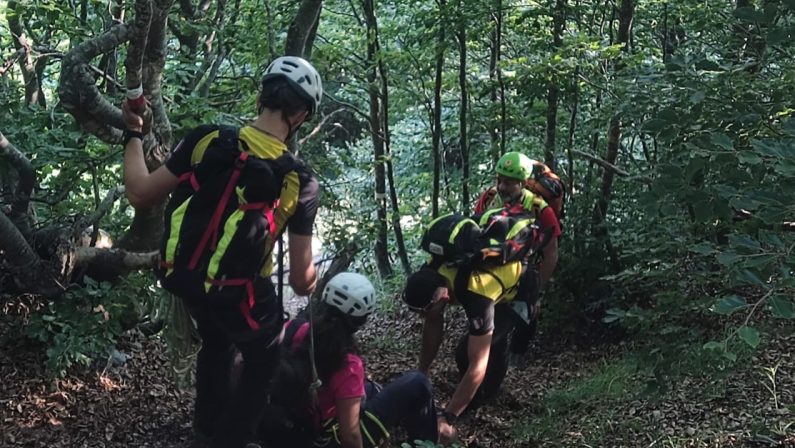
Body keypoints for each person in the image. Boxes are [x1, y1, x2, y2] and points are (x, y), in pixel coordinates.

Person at [121, 56, 322, 448]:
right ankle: (230, 439)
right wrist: (312, 280)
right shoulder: (300, 179)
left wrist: (132, 134)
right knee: (264, 357)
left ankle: (205, 431)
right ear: (299, 116)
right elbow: (300, 281)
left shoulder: (206, 138)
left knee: (216, 343)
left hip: (189, 281)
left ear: (261, 98)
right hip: (241, 291)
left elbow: (140, 193)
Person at [262, 272, 440, 448]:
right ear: (361, 321)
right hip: (320, 438)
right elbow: (350, 436)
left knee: (371, 389)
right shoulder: (348, 364)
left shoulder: (292, 328)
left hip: (283, 424)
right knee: (418, 382)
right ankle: (427, 444)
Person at [402, 255, 531, 444]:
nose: (422, 317)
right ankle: (471, 396)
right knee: (476, 345)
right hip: (483, 289)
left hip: (516, 294)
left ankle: (486, 395)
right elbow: (433, 321)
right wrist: (421, 373)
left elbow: (477, 365)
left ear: (443, 296)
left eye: (424, 310)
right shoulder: (431, 273)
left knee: (466, 353)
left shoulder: (477, 293)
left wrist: (448, 417)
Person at [474, 152, 562, 359]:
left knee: (526, 315)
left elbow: (551, 254)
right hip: (491, 271)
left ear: (522, 183)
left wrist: (537, 291)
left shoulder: (540, 209)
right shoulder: (489, 200)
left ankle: (517, 354)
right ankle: (495, 357)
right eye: (499, 180)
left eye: (509, 183)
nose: (502, 187)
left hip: (526, 272)